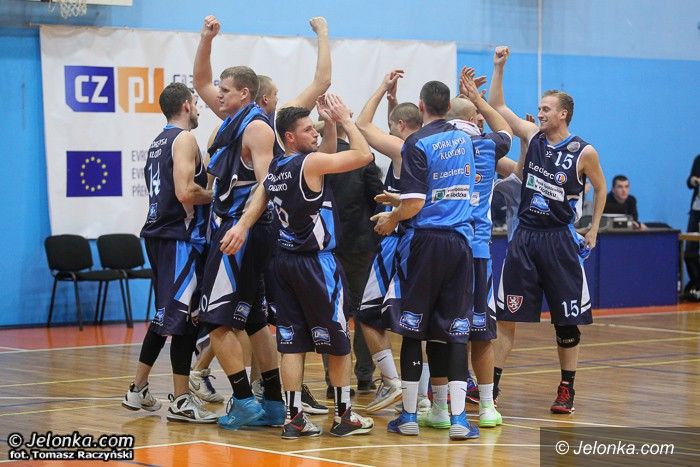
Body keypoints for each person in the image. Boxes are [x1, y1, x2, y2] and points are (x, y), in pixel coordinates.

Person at [193, 15, 332, 418]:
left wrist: (241, 225)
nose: (217, 95)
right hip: (240, 229)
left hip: (242, 231)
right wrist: (206, 39)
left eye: (224, 90)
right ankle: (272, 401)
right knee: (254, 321)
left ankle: (243, 401)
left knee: (216, 322)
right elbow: (200, 80)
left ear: (247, 94)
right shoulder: (233, 119)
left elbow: (266, 185)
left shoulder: (258, 128)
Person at [230, 94, 374, 438]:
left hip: (284, 263)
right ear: (290, 136)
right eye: (308, 129)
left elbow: (320, 156)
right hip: (316, 264)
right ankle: (344, 416)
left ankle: (293, 419)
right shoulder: (310, 164)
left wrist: (330, 124)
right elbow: (364, 155)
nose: (316, 131)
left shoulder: (277, 167)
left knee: (292, 344)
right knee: (338, 340)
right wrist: (346, 118)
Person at [488, 45, 607, 414]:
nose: (539, 113)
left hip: (559, 240)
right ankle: (491, 388)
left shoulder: (584, 152)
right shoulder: (532, 136)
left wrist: (593, 228)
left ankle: (566, 388)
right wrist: (499, 67)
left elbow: (601, 187)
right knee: (506, 316)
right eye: (539, 109)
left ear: (562, 114)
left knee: (566, 322)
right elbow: (497, 105)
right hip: (525, 236)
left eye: (545, 109)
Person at [373, 79, 480, 440]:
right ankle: (459, 420)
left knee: (412, 329)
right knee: (454, 330)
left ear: (421, 107)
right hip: (460, 242)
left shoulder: (417, 142)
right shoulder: (466, 139)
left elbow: (416, 204)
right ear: (448, 106)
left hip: (425, 243)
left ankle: (408, 416)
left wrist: (392, 217)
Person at [122, 83, 218, 424]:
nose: (199, 109)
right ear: (187, 105)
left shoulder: (158, 141)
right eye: (197, 103)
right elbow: (186, 192)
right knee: (184, 319)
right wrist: (220, 195)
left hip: (162, 236)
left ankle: (138, 388)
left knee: (166, 316)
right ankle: (181, 401)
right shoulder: (185, 139)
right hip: (179, 237)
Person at [441, 67, 514, 429]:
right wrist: (478, 100)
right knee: (481, 331)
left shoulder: (433, 143)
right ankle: (485, 405)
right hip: (477, 249)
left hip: (441, 245)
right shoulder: (487, 146)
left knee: (441, 329)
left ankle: (437, 405)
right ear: (473, 118)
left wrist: (466, 102)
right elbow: (506, 131)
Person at [317, 118, 384, 395]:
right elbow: (379, 199)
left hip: (326, 247)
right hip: (360, 245)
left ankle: (333, 381)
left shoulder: (315, 160)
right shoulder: (363, 159)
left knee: (332, 312)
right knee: (364, 311)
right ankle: (365, 375)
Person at [684, 155, 700, 299]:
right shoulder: (698, 159)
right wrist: (692, 180)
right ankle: (697, 284)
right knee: (689, 252)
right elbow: (689, 182)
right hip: (696, 210)